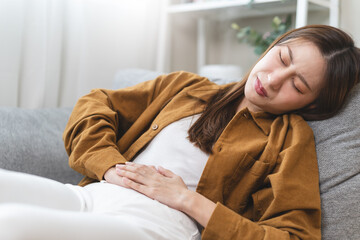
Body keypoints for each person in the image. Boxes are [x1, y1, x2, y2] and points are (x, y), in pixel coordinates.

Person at [1, 25, 359, 240]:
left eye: (297, 84)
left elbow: (293, 236)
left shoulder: (290, 139)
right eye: (281, 59)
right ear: (272, 47)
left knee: (12, 226)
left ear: (312, 104)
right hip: (94, 194)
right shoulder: (186, 87)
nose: (274, 79)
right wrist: (109, 166)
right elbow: (95, 103)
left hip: (155, 226)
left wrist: (188, 200)